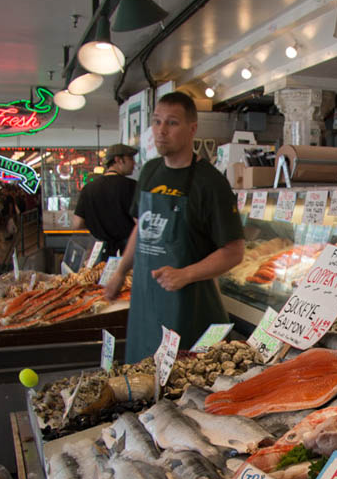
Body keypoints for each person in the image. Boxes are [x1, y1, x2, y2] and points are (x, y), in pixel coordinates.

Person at [104, 91, 244, 363]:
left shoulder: (210, 183)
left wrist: (186, 274)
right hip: (146, 303)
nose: (161, 131)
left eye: (172, 123)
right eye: (156, 122)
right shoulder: (150, 171)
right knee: (141, 378)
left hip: (189, 310)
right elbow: (140, 228)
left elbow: (234, 251)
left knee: (182, 389)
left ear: (192, 129)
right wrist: (120, 271)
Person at [72, 143, 138, 257]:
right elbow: (140, 223)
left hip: (99, 251)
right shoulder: (132, 186)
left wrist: (98, 226)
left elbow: (77, 224)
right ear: (118, 160)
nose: (134, 163)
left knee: (97, 275)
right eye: (131, 158)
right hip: (127, 253)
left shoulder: (88, 188)